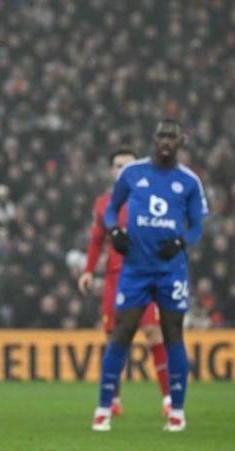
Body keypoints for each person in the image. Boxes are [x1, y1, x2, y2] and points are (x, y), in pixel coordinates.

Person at [92, 119, 209, 433]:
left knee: (173, 336)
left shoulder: (189, 181)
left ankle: (177, 411)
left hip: (171, 271)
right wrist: (115, 231)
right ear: (154, 139)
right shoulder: (133, 173)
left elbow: (198, 226)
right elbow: (110, 208)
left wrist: (182, 241)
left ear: (180, 141)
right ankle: (104, 408)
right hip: (136, 270)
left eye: (172, 136)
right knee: (121, 333)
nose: (166, 141)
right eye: (161, 136)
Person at [78, 149, 171, 417]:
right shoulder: (103, 203)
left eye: (128, 166)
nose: (123, 171)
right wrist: (87, 271)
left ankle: (168, 401)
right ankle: (114, 400)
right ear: (112, 170)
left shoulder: (153, 199)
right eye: (118, 166)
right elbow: (96, 240)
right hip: (114, 278)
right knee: (113, 339)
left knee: (154, 332)